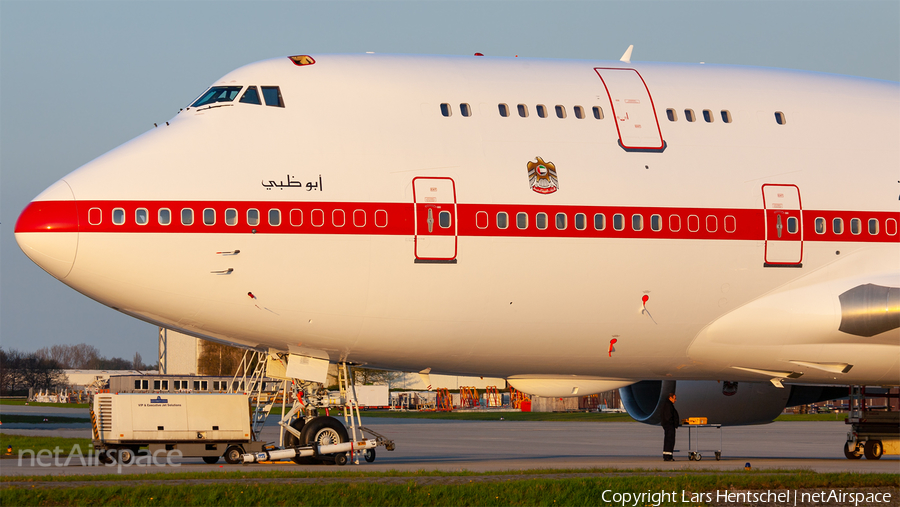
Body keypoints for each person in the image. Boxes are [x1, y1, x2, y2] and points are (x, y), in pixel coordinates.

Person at [660, 392, 680, 461]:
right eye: (674, 398)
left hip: (668, 425)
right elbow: (669, 416)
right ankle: (668, 456)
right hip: (669, 425)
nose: (675, 400)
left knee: (668, 440)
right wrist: (673, 423)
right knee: (670, 440)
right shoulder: (668, 405)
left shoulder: (667, 405)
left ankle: (667, 455)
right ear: (670, 398)